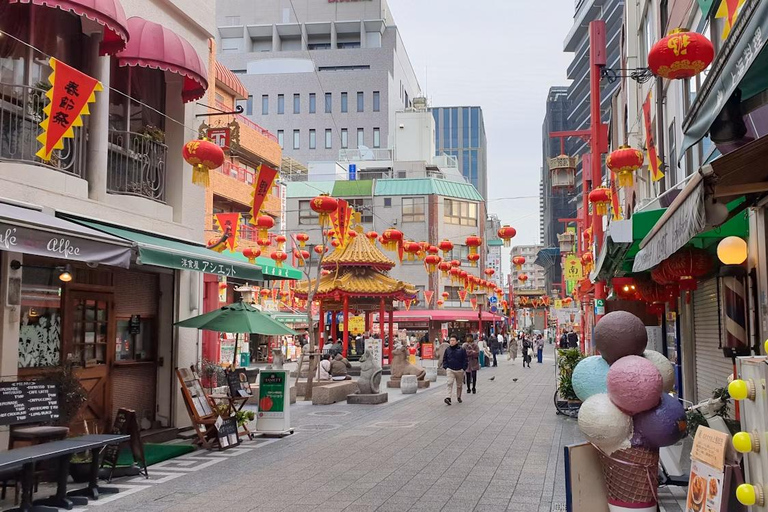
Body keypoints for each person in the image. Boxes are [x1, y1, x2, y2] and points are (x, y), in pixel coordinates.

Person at [442, 335, 467, 405]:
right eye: (450, 340)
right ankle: (448, 397)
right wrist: (446, 367)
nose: (451, 342)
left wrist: (463, 368)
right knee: (449, 383)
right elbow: (444, 359)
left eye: (453, 340)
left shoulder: (461, 350)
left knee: (459, 385)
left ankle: (459, 396)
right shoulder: (447, 350)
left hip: (459, 370)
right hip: (450, 369)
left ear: (456, 341)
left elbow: (465, 360)